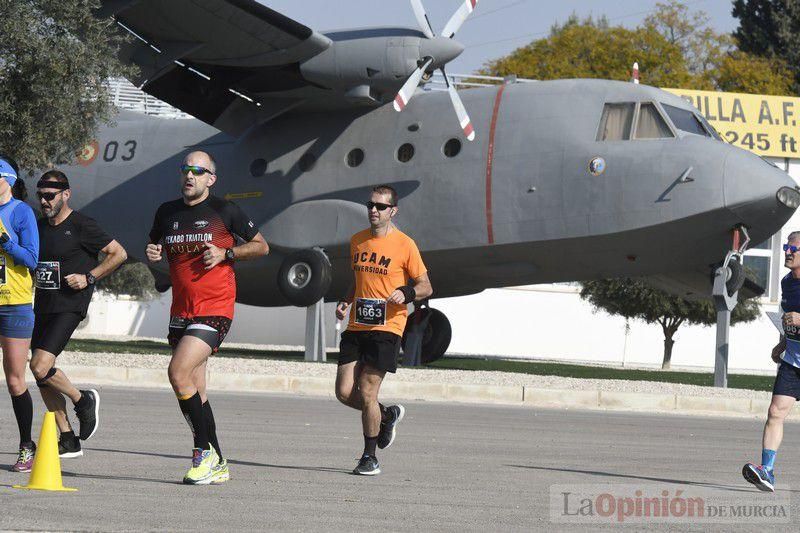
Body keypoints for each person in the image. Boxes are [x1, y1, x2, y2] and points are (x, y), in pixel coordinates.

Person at [146, 151, 268, 484]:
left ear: (210, 178)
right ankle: (219, 460)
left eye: (198, 171)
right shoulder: (166, 212)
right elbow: (156, 246)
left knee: (177, 372)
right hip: (180, 310)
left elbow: (261, 246)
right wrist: (153, 252)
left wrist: (228, 252)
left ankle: (203, 453)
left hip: (215, 307)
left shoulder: (224, 210)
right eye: (186, 169)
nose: (190, 175)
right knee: (195, 390)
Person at [29, 170, 127, 459]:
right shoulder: (39, 228)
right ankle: (68, 438)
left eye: (50, 196)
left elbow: (118, 253)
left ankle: (82, 399)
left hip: (70, 305)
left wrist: (89, 277)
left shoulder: (83, 225)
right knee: (41, 376)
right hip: (43, 305)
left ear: (66, 195)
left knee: (39, 366)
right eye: (40, 196)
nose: (44, 202)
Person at [335, 184, 432, 475]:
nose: (373, 211)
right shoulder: (357, 241)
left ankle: (369, 456)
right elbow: (358, 278)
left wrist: (407, 293)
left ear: (393, 211)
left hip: (387, 326)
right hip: (357, 324)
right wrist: (345, 300)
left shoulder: (405, 244)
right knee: (343, 392)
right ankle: (387, 415)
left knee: (366, 391)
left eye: (380, 206)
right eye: (370, 205)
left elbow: (426, 286)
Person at [743, 231, 800, 492]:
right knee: (775, 413)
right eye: (787, 246)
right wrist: (783, 342)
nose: (787, 251)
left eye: (793, 248)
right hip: (793, 362)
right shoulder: (787, 282)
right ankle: (767, 472)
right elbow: (787, 316)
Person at [0, 155, 39, 473]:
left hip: (15, 304)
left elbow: (32, 259)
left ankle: (27, 445)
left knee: (15, 380)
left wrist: (5, 243)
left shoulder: (21, 212)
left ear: (7, 180)